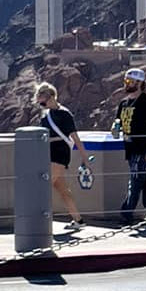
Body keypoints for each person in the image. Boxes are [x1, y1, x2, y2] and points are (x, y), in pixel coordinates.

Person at [113, 66, 146, 226]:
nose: (127, 84)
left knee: (136, 180)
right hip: (130, 148)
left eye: (130, 81)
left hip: (143, 147)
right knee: (144, 180)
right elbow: (118, 123)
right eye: (126, 81)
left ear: (140, 83)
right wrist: (115, 129)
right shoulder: (123, 103)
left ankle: (126, 214)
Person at [35, 82, 91, 231]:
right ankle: (78, 220)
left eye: (42, 98)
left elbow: (74, 136)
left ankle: (39, 220)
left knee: (43, 186)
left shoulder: (64, 114)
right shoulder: (45, 115)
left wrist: (84, 156)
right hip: (48, 151)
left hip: (60, 152)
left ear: (50, 97)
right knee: (62, 190)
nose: (40, 102)